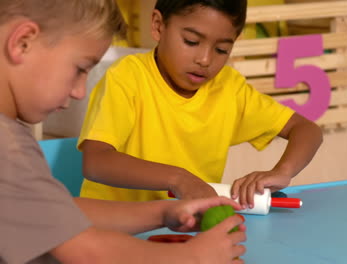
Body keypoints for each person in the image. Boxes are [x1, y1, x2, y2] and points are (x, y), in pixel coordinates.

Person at [0, 0, 246, 263]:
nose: (79, 91)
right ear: (22, 42)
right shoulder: (8, 148)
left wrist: (164, 213)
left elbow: (53, 213)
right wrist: (192, 256)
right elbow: (86, 250)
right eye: (80, 69)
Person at [79, 0, 323, 209]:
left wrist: (282, 172)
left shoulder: (230, 88)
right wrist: (178, 178)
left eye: (221, 49)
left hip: (185, 229)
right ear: (158, 25)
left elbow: (307, 129)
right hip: (116, 229)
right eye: (191, 41)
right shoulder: (127, 78)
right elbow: (96, 162)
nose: (205, 60)